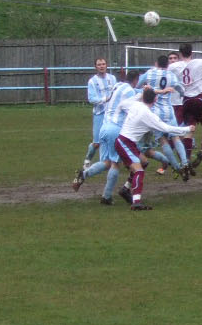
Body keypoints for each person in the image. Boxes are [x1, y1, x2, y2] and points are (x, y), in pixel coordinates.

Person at [112, 86, 192, 210]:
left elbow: (123, 104)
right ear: (155, 100)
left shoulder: (134, 105)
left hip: (126, 142)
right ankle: (136, 203)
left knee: (144, 162)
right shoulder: (148, 114)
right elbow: (166, 128)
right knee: (139, 171)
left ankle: (125, 189)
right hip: (125, 143)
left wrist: (141, 94)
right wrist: (187, 129)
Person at [75, 57, 117, 190]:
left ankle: (108, 163)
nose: (102, 66)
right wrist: (106, 99)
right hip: (99, 115)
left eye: (104, 64)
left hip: (111, 115)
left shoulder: (112, 78)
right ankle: (88, 160)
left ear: (107, 65)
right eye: (99, 64)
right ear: (95, 67)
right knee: (97, 143)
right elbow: (91, 99)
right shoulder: (92, 81)